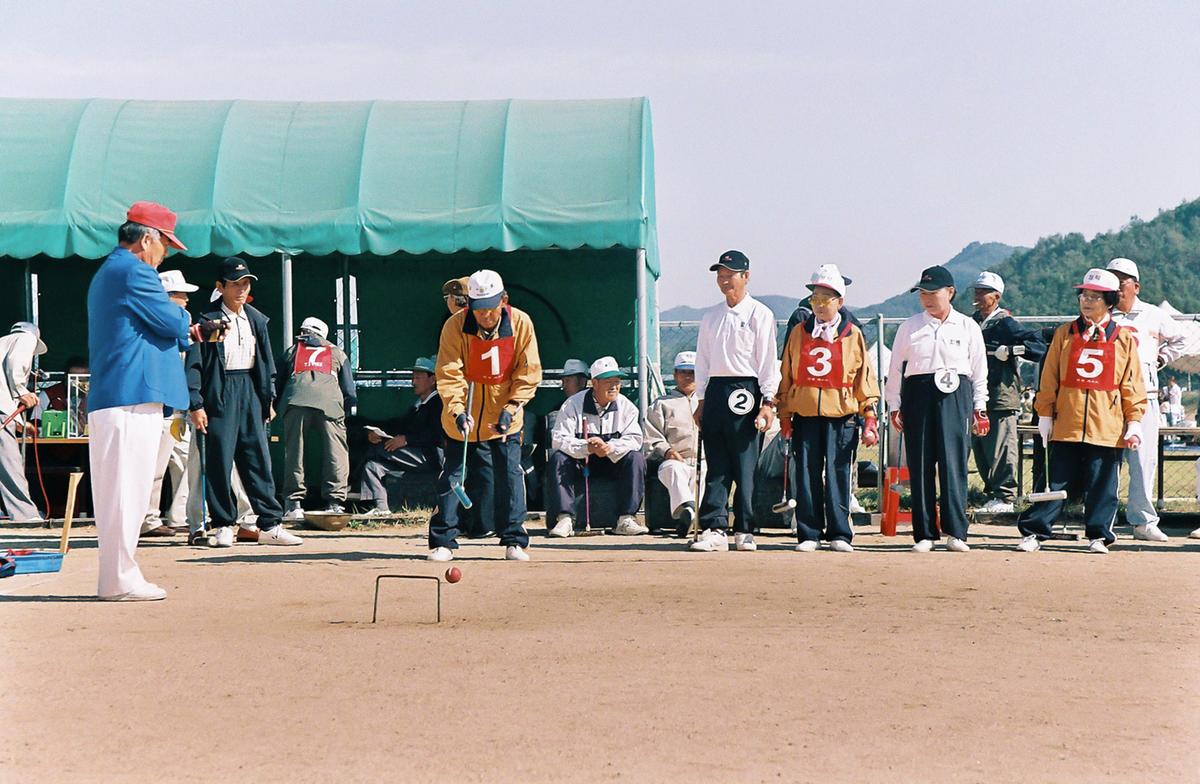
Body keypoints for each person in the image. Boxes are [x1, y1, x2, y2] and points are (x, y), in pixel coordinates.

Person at [88, 201, 211, 600]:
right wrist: (183, 324)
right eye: (165, 246)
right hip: (130, 393)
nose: (166, 255)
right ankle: (119, 579)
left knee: (122, 492)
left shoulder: (114, 270)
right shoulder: (133, 271)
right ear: (146, 239)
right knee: (127, 491)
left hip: (123, 393)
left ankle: (117, 577)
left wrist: (182, 329)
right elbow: (173, 321)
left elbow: (171, 327)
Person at [1016, 268, 1147, 554]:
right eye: (1084, 295)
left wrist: (1134, 421)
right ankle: (1035, 532)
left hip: (1107, 426)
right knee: (1054, 479)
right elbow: (1049, 376)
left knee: (1103, 483)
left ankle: (1099, 535)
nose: (1087, 302)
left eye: (1095, 297)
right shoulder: (1065, 333)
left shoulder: (1123, 339)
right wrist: (1046, 414)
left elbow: (1131, 383)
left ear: (1109, 300)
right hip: (1067, 421)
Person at [186, 257, 302, 548]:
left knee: (257, 459)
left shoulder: (257, 319)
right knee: (219, 460)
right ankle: (224, 524)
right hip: (220, 392)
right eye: (235, 284)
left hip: (251, 390)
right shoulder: (206, 321)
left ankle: (270, 524)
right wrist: (196, 403)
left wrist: (268, 398)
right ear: (220, 286)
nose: (241, 289)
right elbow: (195, 364)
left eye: (245, 283)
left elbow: (267, 363)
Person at [428, 270, 542, 562]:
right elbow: (448, 372)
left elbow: (527, 372)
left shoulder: (521, 323)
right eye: (478, 310)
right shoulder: (454, 326)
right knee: (453, 477)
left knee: (510, 476)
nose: (485, 316)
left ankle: (514, 540)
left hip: (504, 415)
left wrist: (512, 407)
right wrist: (455, 411)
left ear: (503, 300)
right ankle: (443, 541)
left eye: (491, 309)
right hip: (463, 418)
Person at [886, 265, 989, 553]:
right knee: (920, 464)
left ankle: (956, 531)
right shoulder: (909, 327)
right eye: (923, 293)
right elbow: (895, 370)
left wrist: (980, 407)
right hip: (918, 393)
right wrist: (895, 404)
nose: (927, 299)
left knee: (953, 463)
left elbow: (979, 372)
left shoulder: (968, 327)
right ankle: (924, 533)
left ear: (951, 292)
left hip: (956, 395)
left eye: (933, 293)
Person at [777, 264, 880, 552]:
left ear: (840, 302)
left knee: (838, 472)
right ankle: (809, 532)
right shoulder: (799, 332)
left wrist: (869, 415)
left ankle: (839, 532)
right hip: (806, 413)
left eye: (826, 299)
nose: (820, 306)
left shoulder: (852, 334)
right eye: (815, 299)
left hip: (842, 414)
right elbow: (787, 373)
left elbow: (863, 377)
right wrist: (784, 413)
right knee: (806, 472)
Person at [690, 250, 781, 553]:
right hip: (717, 387)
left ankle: (745, 527)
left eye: (730, 274)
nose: (724, 279)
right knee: (716, 461)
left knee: (745, 462)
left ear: (746, 276)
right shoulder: (711, 316)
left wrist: (768, 401)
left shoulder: (760, 314)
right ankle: (714, 525)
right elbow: (702, 361)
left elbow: (768, 360)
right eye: (720, 274)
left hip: (747, 387)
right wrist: (701, 399)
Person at [1106, 257, 1187, 541]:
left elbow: (1181, 339)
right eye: (1111, 280)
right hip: (1108, 397)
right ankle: (1104, 521)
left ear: (1136, 286)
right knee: (1107, 460)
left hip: (1145, 394)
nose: (1116, 287)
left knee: (1143, 460)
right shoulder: (1103, 315)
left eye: (1121, 280)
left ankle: (1143, 521)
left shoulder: (1153, 314)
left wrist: (1162, 358)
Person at [969, 271, 1047, 513]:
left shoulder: (1005, 323)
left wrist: (1012, 350)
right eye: (977, 290)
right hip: (977, 394)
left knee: (1001, 447)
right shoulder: (972, 322)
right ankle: (992, 491)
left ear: (997, 296)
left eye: (984, 291)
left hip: (1001, 394)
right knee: (981, 448)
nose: (979, 295)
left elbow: (1038, 345)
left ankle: (1006, 495)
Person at [548, 356, 648, 536]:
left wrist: (610, 448)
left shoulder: (627, 406)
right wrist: (587, 447)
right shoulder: (572, 404)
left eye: (617, 381)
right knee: (558, 459)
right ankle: (565, 519)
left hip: (612, 461)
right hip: (581, 461)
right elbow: (558, 439)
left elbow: (634, 438)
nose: (614, 386)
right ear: (594, 383)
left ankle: (626, 519)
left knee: (636, 458)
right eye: (608, 381)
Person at [140, 270, 201, 539]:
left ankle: (178, 516)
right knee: (155, 467)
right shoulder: (153, 323)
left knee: (188, 462)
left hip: (180, 407)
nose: (186, 299)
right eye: (180, 295)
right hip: (160, 407)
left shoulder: (181, 322)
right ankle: (147, 518)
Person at [277, 316, 357, 518]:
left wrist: (275, 405)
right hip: (329, 403)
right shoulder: (337, 352)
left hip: (296, 401)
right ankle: (335, 502)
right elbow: (349, 389)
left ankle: (293, 504)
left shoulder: (293, 351)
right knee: (336, 451)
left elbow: (278, 382)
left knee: (295, 451)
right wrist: (347, 409)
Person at [359, 355, 444, 515]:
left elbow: (436, 434)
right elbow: (399, 425)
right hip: (412, 455)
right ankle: (381, 508)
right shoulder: (418, 406)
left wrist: (406, 440)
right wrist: (379, 433)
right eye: (413, 377)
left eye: (418, 377)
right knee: (372, 466)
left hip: (430, 456)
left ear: (432, 380)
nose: (413, 382)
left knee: (377, 449)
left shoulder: (437, 404)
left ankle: (346, 486)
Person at [644, 351, 701, 536]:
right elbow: (652, 437)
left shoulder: (706, 402)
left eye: (692, 372)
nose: (687, 376)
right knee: (673, 469)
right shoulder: (662, 404)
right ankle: (688, 509)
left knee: (709, 472)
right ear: (675, 375)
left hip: (703, 459)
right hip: (675, 459)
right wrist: (667, 451)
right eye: (683, 372)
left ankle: (691, 517)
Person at [0, 322, 48, 524]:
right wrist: (23, 391)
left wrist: (19, 423)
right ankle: (25, 514)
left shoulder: (3, 343)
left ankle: (7, 509)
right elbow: (15, 364)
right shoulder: (25, 339)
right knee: (9, 462)